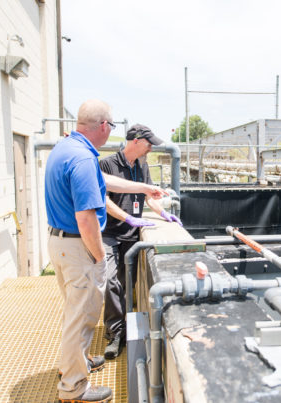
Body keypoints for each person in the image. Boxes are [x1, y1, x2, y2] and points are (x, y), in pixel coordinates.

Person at [45, 100, 166, 403]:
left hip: (59, 242)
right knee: (82, 317)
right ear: (103, 126)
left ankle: (74, 364)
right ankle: (73, 387)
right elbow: (86, 219)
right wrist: (100, 258)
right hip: (78, 245)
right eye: (111, 126)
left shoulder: (65, 149)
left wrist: (144, 189)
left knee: (74, 313)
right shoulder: (85, 158)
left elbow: (104, 182)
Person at [99, 124, 182, 359]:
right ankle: (115, 334)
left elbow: (148, 197)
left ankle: (123, 327)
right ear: (135, 141)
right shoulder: (107, 164)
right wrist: (126, 217)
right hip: (109, 233)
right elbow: (101, 198)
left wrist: (163, 214)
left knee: (126, 285)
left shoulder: (142, 166)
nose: (151, 148)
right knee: (109, 281)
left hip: (132, 235)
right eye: (148, 144)